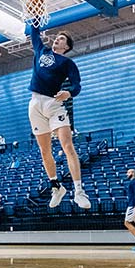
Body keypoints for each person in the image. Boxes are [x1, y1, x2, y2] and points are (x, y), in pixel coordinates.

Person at [26, 22, 89, 209]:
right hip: (35, 103)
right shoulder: (41, 50)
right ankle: (56, 188)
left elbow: (77, 85)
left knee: (67, 145)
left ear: (66, 46)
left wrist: (68, 93)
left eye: (61, 39)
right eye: (56, 37)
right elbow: (34, 33)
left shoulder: (68, 63)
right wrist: (34, 17)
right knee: (45, 151)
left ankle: (79, 191)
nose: (56, 39)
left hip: (54, 104)